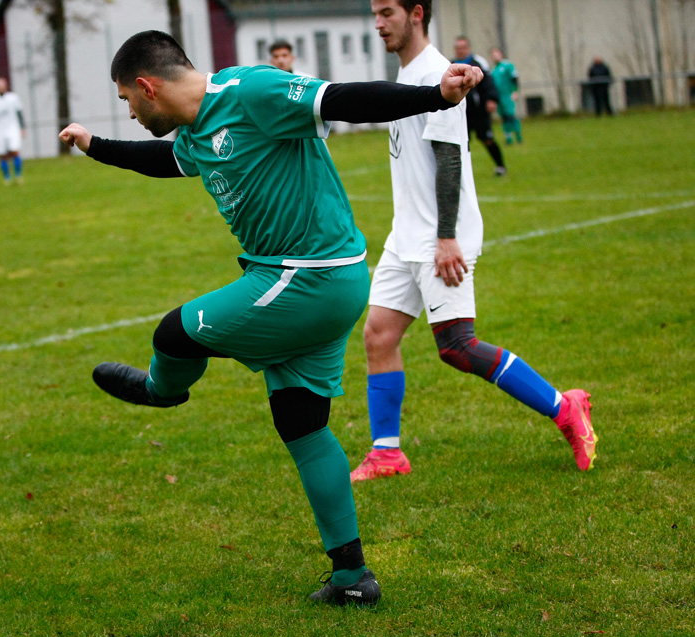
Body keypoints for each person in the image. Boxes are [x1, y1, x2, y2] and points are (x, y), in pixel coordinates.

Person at [59, 30, 481, 606]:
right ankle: (352, 577)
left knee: (173, 334)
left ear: (147, 86)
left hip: (308, 276)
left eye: (127, 102)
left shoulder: (250, 90)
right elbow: (164, 161)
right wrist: (96, 145)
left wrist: (436, 93)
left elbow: (344, 99)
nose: (129, 114)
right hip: (311, 278)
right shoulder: (195, 132)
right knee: (302, 423)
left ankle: (162, 392)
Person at [351, 0, 598, 483]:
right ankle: (387, 454)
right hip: (407, 235)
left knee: (457, 346)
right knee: (378, 335)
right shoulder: (408, 75)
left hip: (441, 237)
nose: (378, 23)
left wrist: (446, 238)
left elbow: (450, 160)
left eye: (387, 13)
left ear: (416, 13)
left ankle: (564, 406)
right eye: (374, 13)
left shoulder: (441, 74)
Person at [453, 36, 506, 176]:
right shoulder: (451, 65)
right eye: (458, 48)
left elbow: (488, 83)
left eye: (463, 47)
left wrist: (491, 99)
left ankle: (500, 166)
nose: (460, 51)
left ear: (468, 48)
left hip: (479, 111)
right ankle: (462, 172)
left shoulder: (477, 64)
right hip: (461, 112)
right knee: (461, 142)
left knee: (487, 139)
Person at [0, 77, 26, 184]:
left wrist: (22, 128)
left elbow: (19, 114)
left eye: (2, 85)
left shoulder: (13, 98)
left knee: (15, 151)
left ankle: (18, 175)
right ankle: (7, 178)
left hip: (13, 129)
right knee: (2, 154)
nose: (1, 88)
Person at [489, 46, 521, 144]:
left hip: (508, 95)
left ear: (501, 54)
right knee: (504, 117)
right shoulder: (494, 70)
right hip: (499, 97)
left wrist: (515, 91)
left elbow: (514, 78)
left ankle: (518, 136)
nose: (495, 56)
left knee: (510, 115)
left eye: (496, 54)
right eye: (493, 55)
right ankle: (508, 138)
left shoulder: (507, 65)